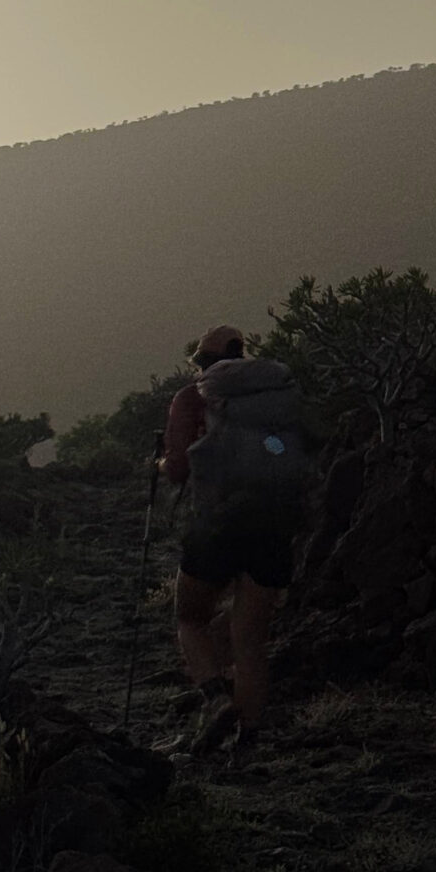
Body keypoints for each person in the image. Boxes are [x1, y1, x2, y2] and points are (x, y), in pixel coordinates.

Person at [159, 324, 309, 757]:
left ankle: (215, 698)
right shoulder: (278, 395)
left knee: (190, 618)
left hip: (218, 523)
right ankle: (246, 743)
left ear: (204, 362)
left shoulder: (193, 397)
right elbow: (297, 448)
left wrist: (159, 464)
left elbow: (177, 469)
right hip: (275, 524)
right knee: (250, 640)